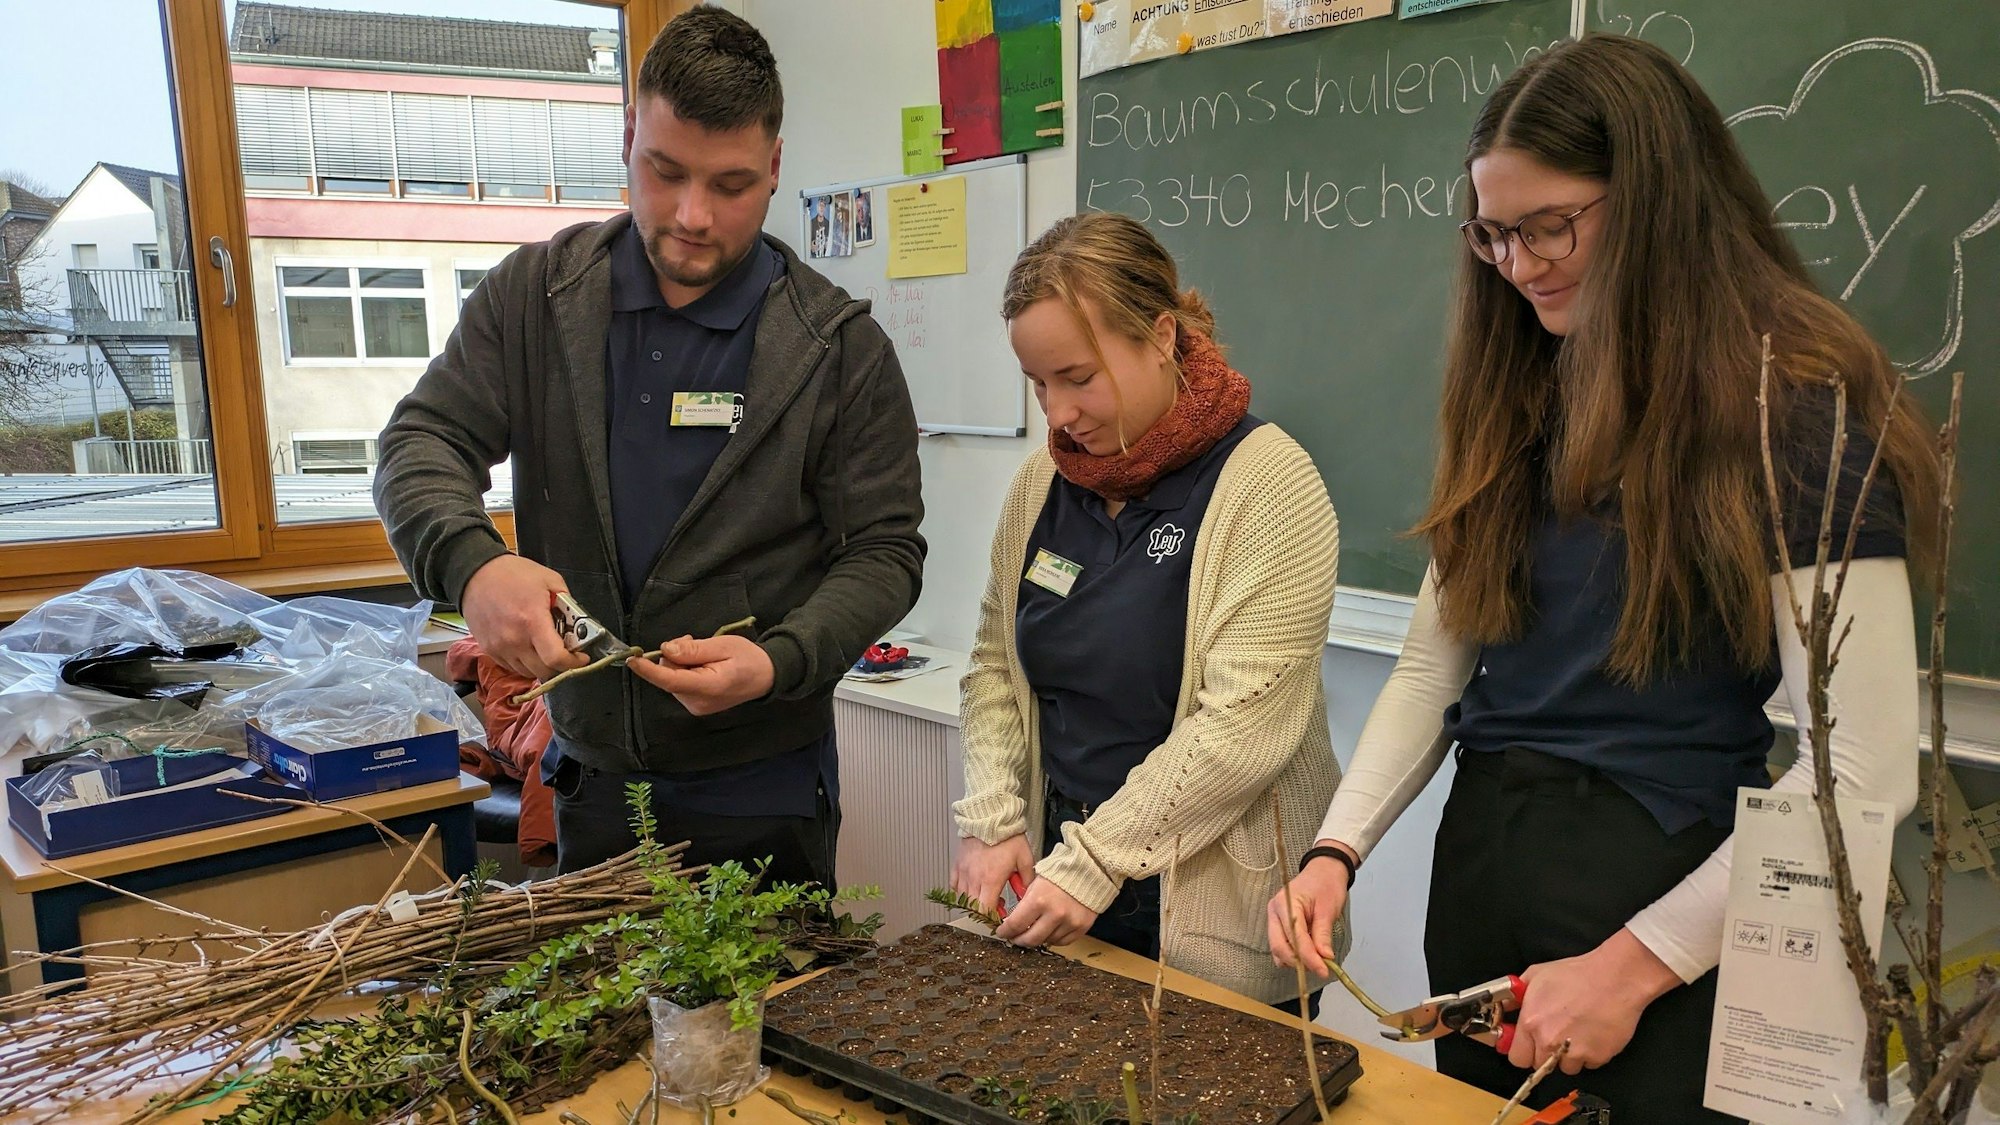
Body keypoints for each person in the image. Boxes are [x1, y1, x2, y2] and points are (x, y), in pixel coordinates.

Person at [1267, 35, 1939, 1123]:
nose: (1520, 265)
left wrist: (1630, 967)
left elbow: (1859, 774)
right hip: (1484, 876)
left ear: (1659, 202)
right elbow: (1435, 661)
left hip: (1662, 904)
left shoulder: (1797, 418)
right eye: (1491, 235)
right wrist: (1335, 849)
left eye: (1549, 226)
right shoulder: (1515, 393)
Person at [375, 6, 925, 886]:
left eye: (732, 184)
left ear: (776, 166)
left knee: (765, 1018)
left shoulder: (839, 351)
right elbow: (421, 440)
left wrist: (779, 659)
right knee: (605, 1020)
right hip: (594, 782)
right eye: (664, 172)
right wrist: (474, 565)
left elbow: (886, 553)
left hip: (764, 789)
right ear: (630, 135)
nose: (692, 215)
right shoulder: (534, 299)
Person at [952, 212, 1344, 1008]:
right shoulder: (1041, 485)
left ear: (1161, 335)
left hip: (1206, 913)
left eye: (1079, 376)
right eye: (1039, 384)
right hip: (1063, 876)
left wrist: (1097, 861)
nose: (1058, 412)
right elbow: (997, 663)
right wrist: (993, 817)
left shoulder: (1271, 484)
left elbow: (1239, 730)